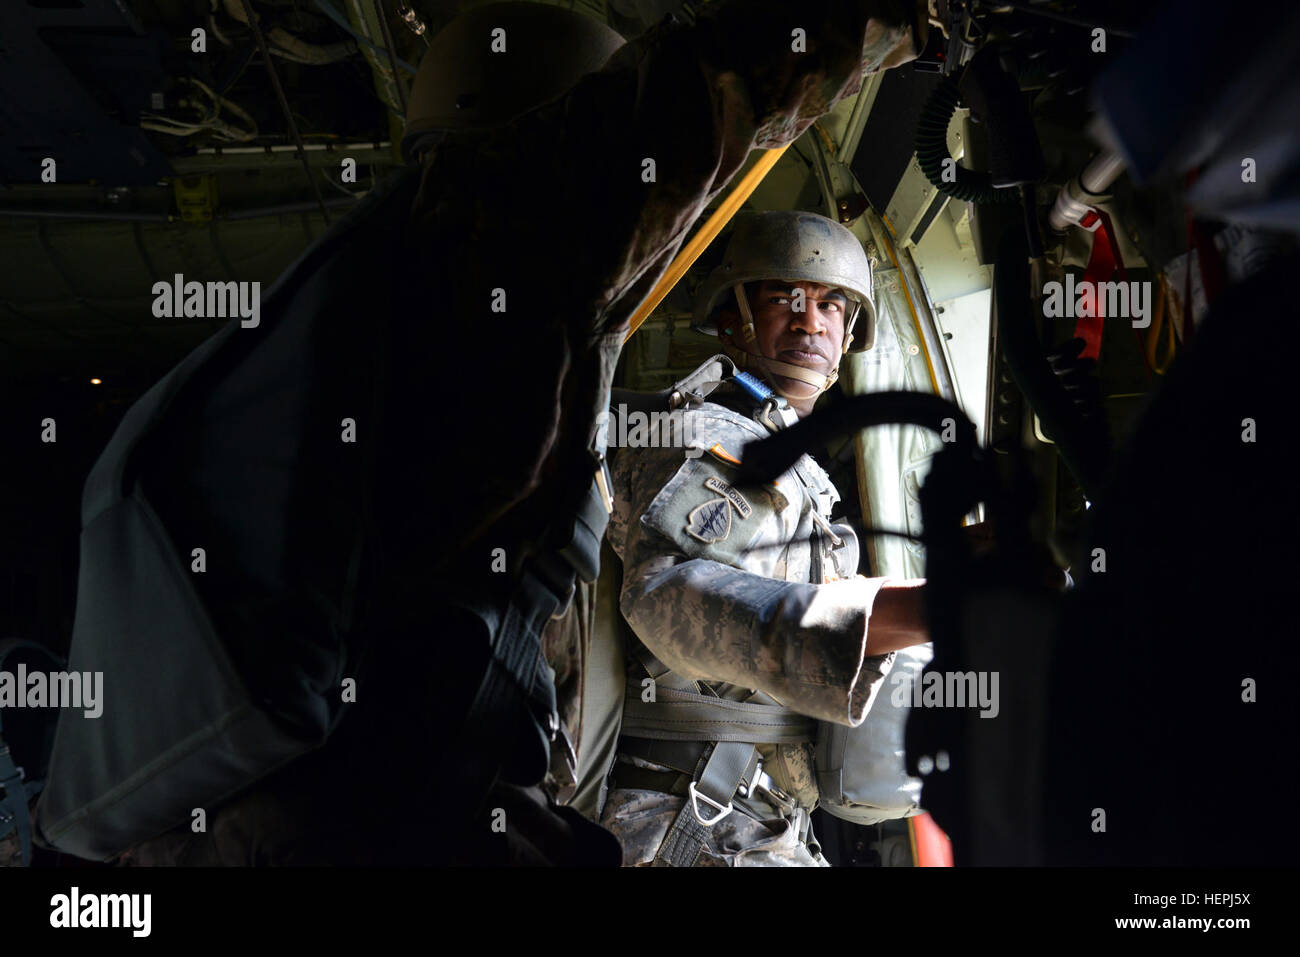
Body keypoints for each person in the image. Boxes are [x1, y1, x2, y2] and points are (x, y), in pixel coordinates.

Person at [30, 1, 930, 866]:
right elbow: (708, 95)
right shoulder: (494, 240)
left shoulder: (388, 292)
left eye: (832, 308)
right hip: (370, 815)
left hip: (315, 811)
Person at [597, 210, 933, 866]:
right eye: (786, 298)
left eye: (833, 305)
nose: (813, 321)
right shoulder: (714, 439)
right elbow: (667, 597)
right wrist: (903, 611)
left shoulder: (792, 464)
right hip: (692, 820)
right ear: (732, 319)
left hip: (747, 820)